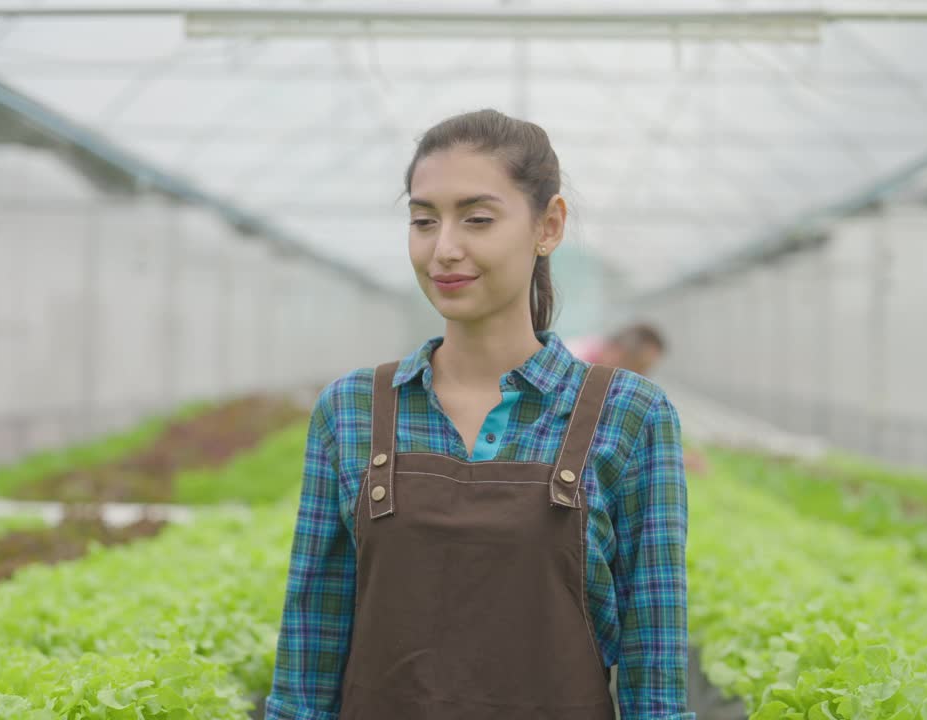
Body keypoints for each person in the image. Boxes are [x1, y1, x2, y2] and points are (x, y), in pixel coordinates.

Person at [265, 109, 693, 720]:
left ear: (548, 226)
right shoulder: (354, 409)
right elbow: (309, 658)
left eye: (478, 219)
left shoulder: (629, 414)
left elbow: (657, 675)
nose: (444, 249)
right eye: (422, 220)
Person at [573, 324, 709, 475]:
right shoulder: (578, 369)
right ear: (617, 352)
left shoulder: (603, 368)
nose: (642, 377)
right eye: (639, 367)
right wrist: (674, 459)